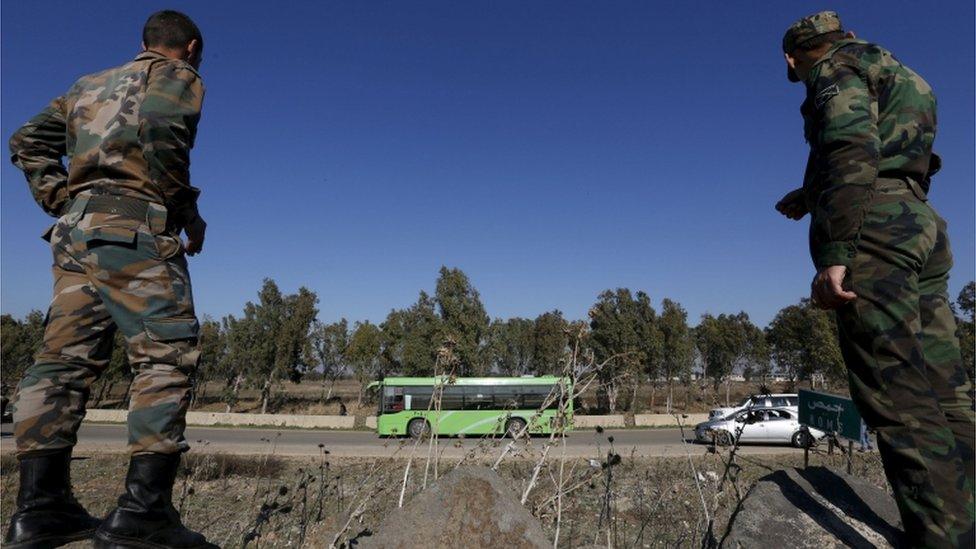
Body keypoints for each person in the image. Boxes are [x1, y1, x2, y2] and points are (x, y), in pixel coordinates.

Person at [5, 10, 216, 549]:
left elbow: (26, 140)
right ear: (189, 47)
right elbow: (166, 134)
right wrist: (182, 209)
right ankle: (144, 514)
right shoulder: (174, 75)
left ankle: (39, 510)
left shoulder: (85, 86)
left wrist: (64, 200)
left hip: (75, 237)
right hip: (135, 230)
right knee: (164, 356)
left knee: (61, 363)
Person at [776, 11, 975, 547]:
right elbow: (906, 151)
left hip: (876, 236)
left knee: (898, 398)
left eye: (791, 60)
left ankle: (943, 538)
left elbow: (851, 146)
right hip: (921, 225)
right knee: (945, 393)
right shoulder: (900, 71)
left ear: (796, 54)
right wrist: (810, 192)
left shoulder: (834, 71)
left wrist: (838, 250)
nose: (791, 68)